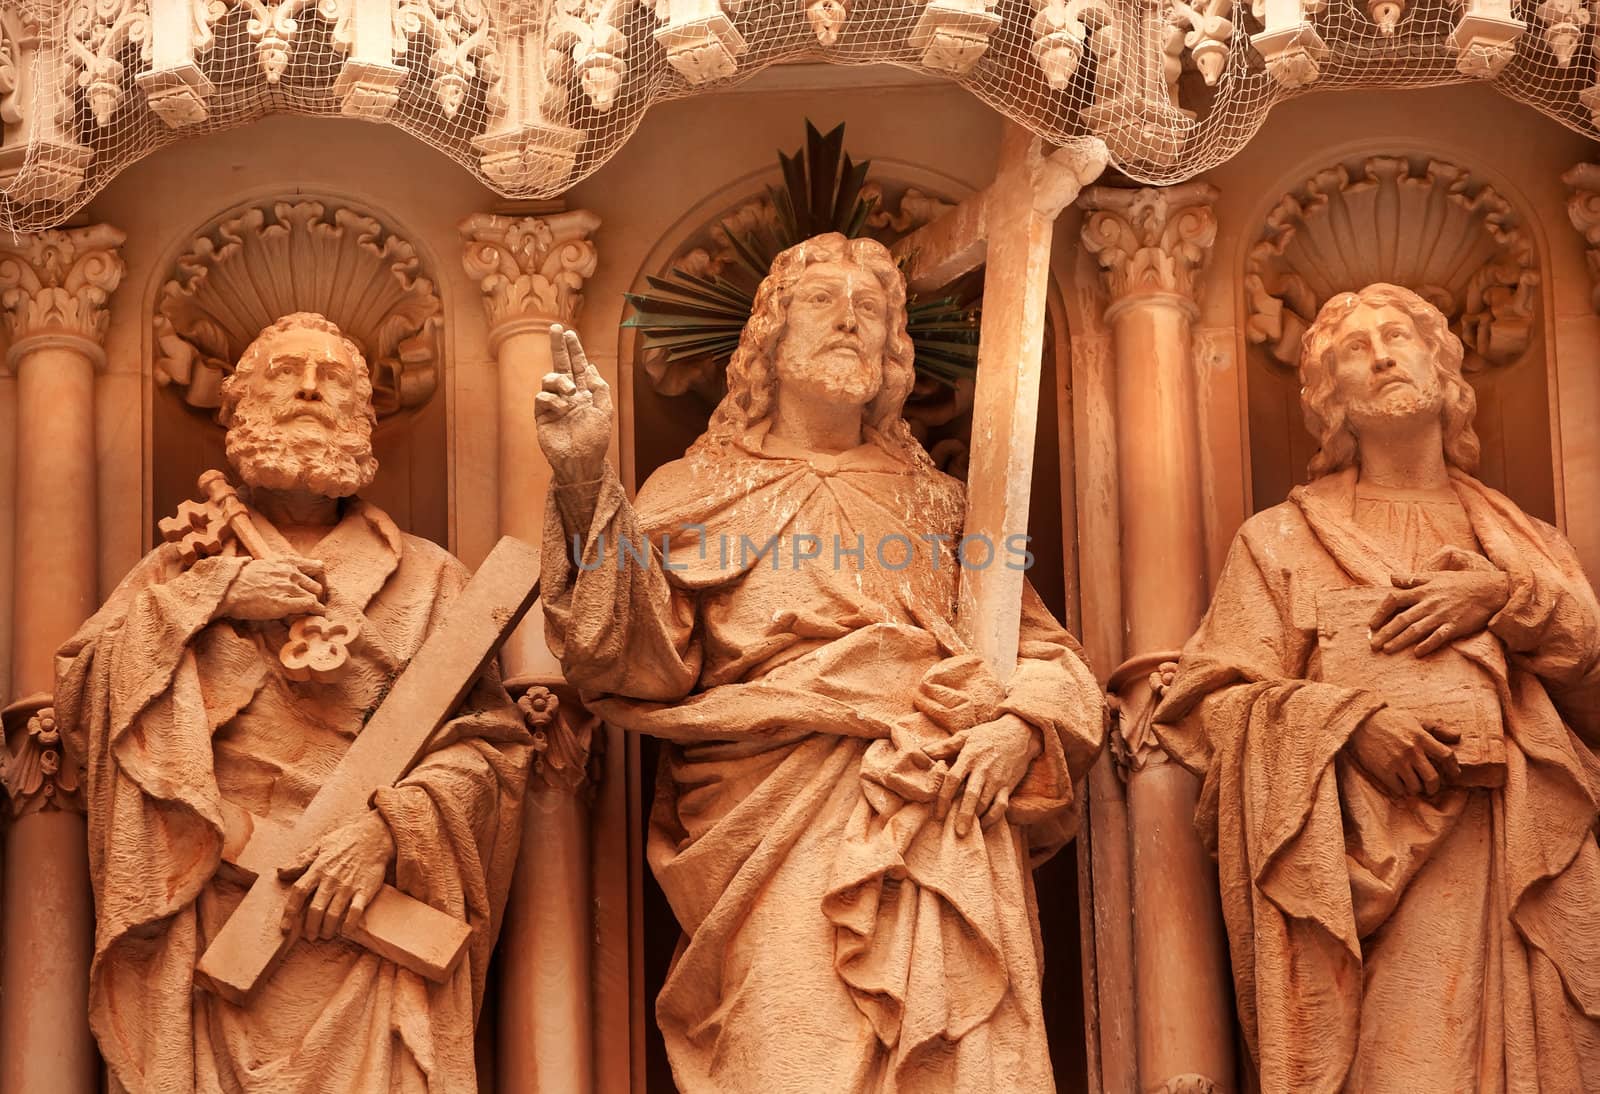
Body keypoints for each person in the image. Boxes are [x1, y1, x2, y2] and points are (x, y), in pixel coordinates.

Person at [536, 233, 1105, 1092]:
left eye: (870, 309)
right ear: (768, 337)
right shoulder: (691, 492)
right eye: (821, 301)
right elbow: (631, 659)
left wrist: (1024, 728)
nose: (848, 320)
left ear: (892, 353)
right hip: (772, 820)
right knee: (789, 1053)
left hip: (937, 807)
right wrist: (584, 476)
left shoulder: (943, 504)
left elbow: (1044, 653)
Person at [56, 312, 530, 1093]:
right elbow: (82, 703)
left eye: (333, 376)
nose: (309, 386)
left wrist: (386, 832)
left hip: (370, 925)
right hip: (210, 915)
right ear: (239, 408)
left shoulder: (431, 580)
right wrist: (212, 595)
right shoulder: (179, 569)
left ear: (363, 415)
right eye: (284, 372)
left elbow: (491, 750)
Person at [1154, 283, 1600, 1091]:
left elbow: (1594, 691)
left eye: (1400, 336)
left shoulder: (1526, 539)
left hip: (1522, 850)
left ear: (1444, 367)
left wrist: (1505, 598)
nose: (1383, 355)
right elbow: (1208, 702)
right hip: (1373, 870)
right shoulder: (1282, 538)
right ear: (1332, 400)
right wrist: (1349, 722)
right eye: (1355, 350)